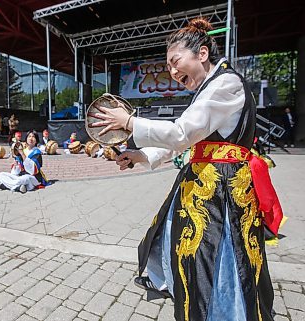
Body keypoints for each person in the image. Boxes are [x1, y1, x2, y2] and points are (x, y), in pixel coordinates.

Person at [89, 17, 282, 321]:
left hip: (224, 196)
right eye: (169, 67)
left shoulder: (226, 83)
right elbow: (188, 142)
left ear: (202, 54)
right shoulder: (209, 90)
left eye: (175, 61)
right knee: (190, 259)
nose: (173, 71)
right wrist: (137, 156)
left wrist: (129, 122)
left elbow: (182, 134)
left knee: (220, 263)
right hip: (204, 190)